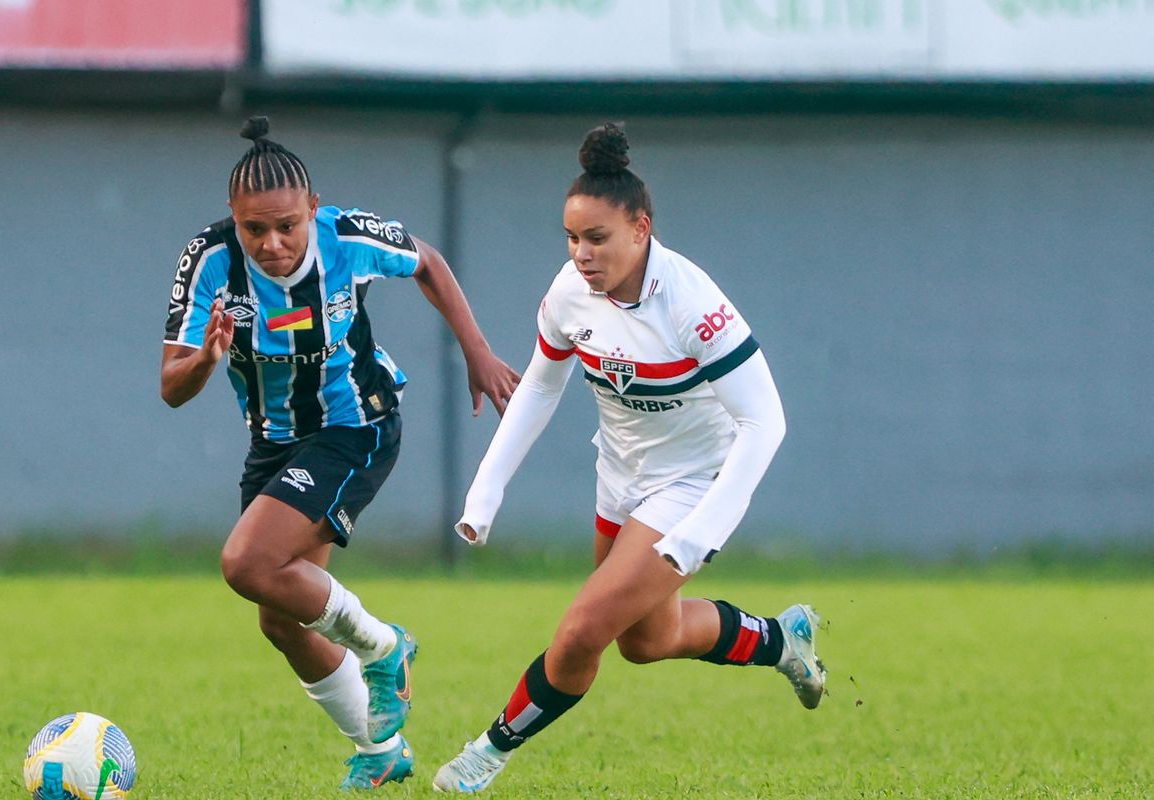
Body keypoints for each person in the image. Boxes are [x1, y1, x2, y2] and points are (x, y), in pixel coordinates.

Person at [431, 122, 825, 793]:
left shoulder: (693, 305)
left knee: (584, 627)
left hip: (691, 487)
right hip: (620, 481)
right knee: (644, 641)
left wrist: (701, 533)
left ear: (641, 228)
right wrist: (485, 491)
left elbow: (766, 422)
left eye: (597, 238)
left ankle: (485, 753)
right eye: (572, 238)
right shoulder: (567, 293)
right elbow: (540, 386)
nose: (581, 253)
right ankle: (782, 641)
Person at [161, 116, 520, 790]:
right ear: (232, 220)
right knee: (281, 617)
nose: (272, 243)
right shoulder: (208, 259)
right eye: (253, 229)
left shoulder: (346, 236)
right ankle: (380, 750)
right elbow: (171, 386)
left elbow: (428, 263)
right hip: (274, 443)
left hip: (356, 424)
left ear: (313, 211)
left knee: (245, 562)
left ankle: (385, 647)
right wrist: (206, 360)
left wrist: (475, 349)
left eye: (286, 225)